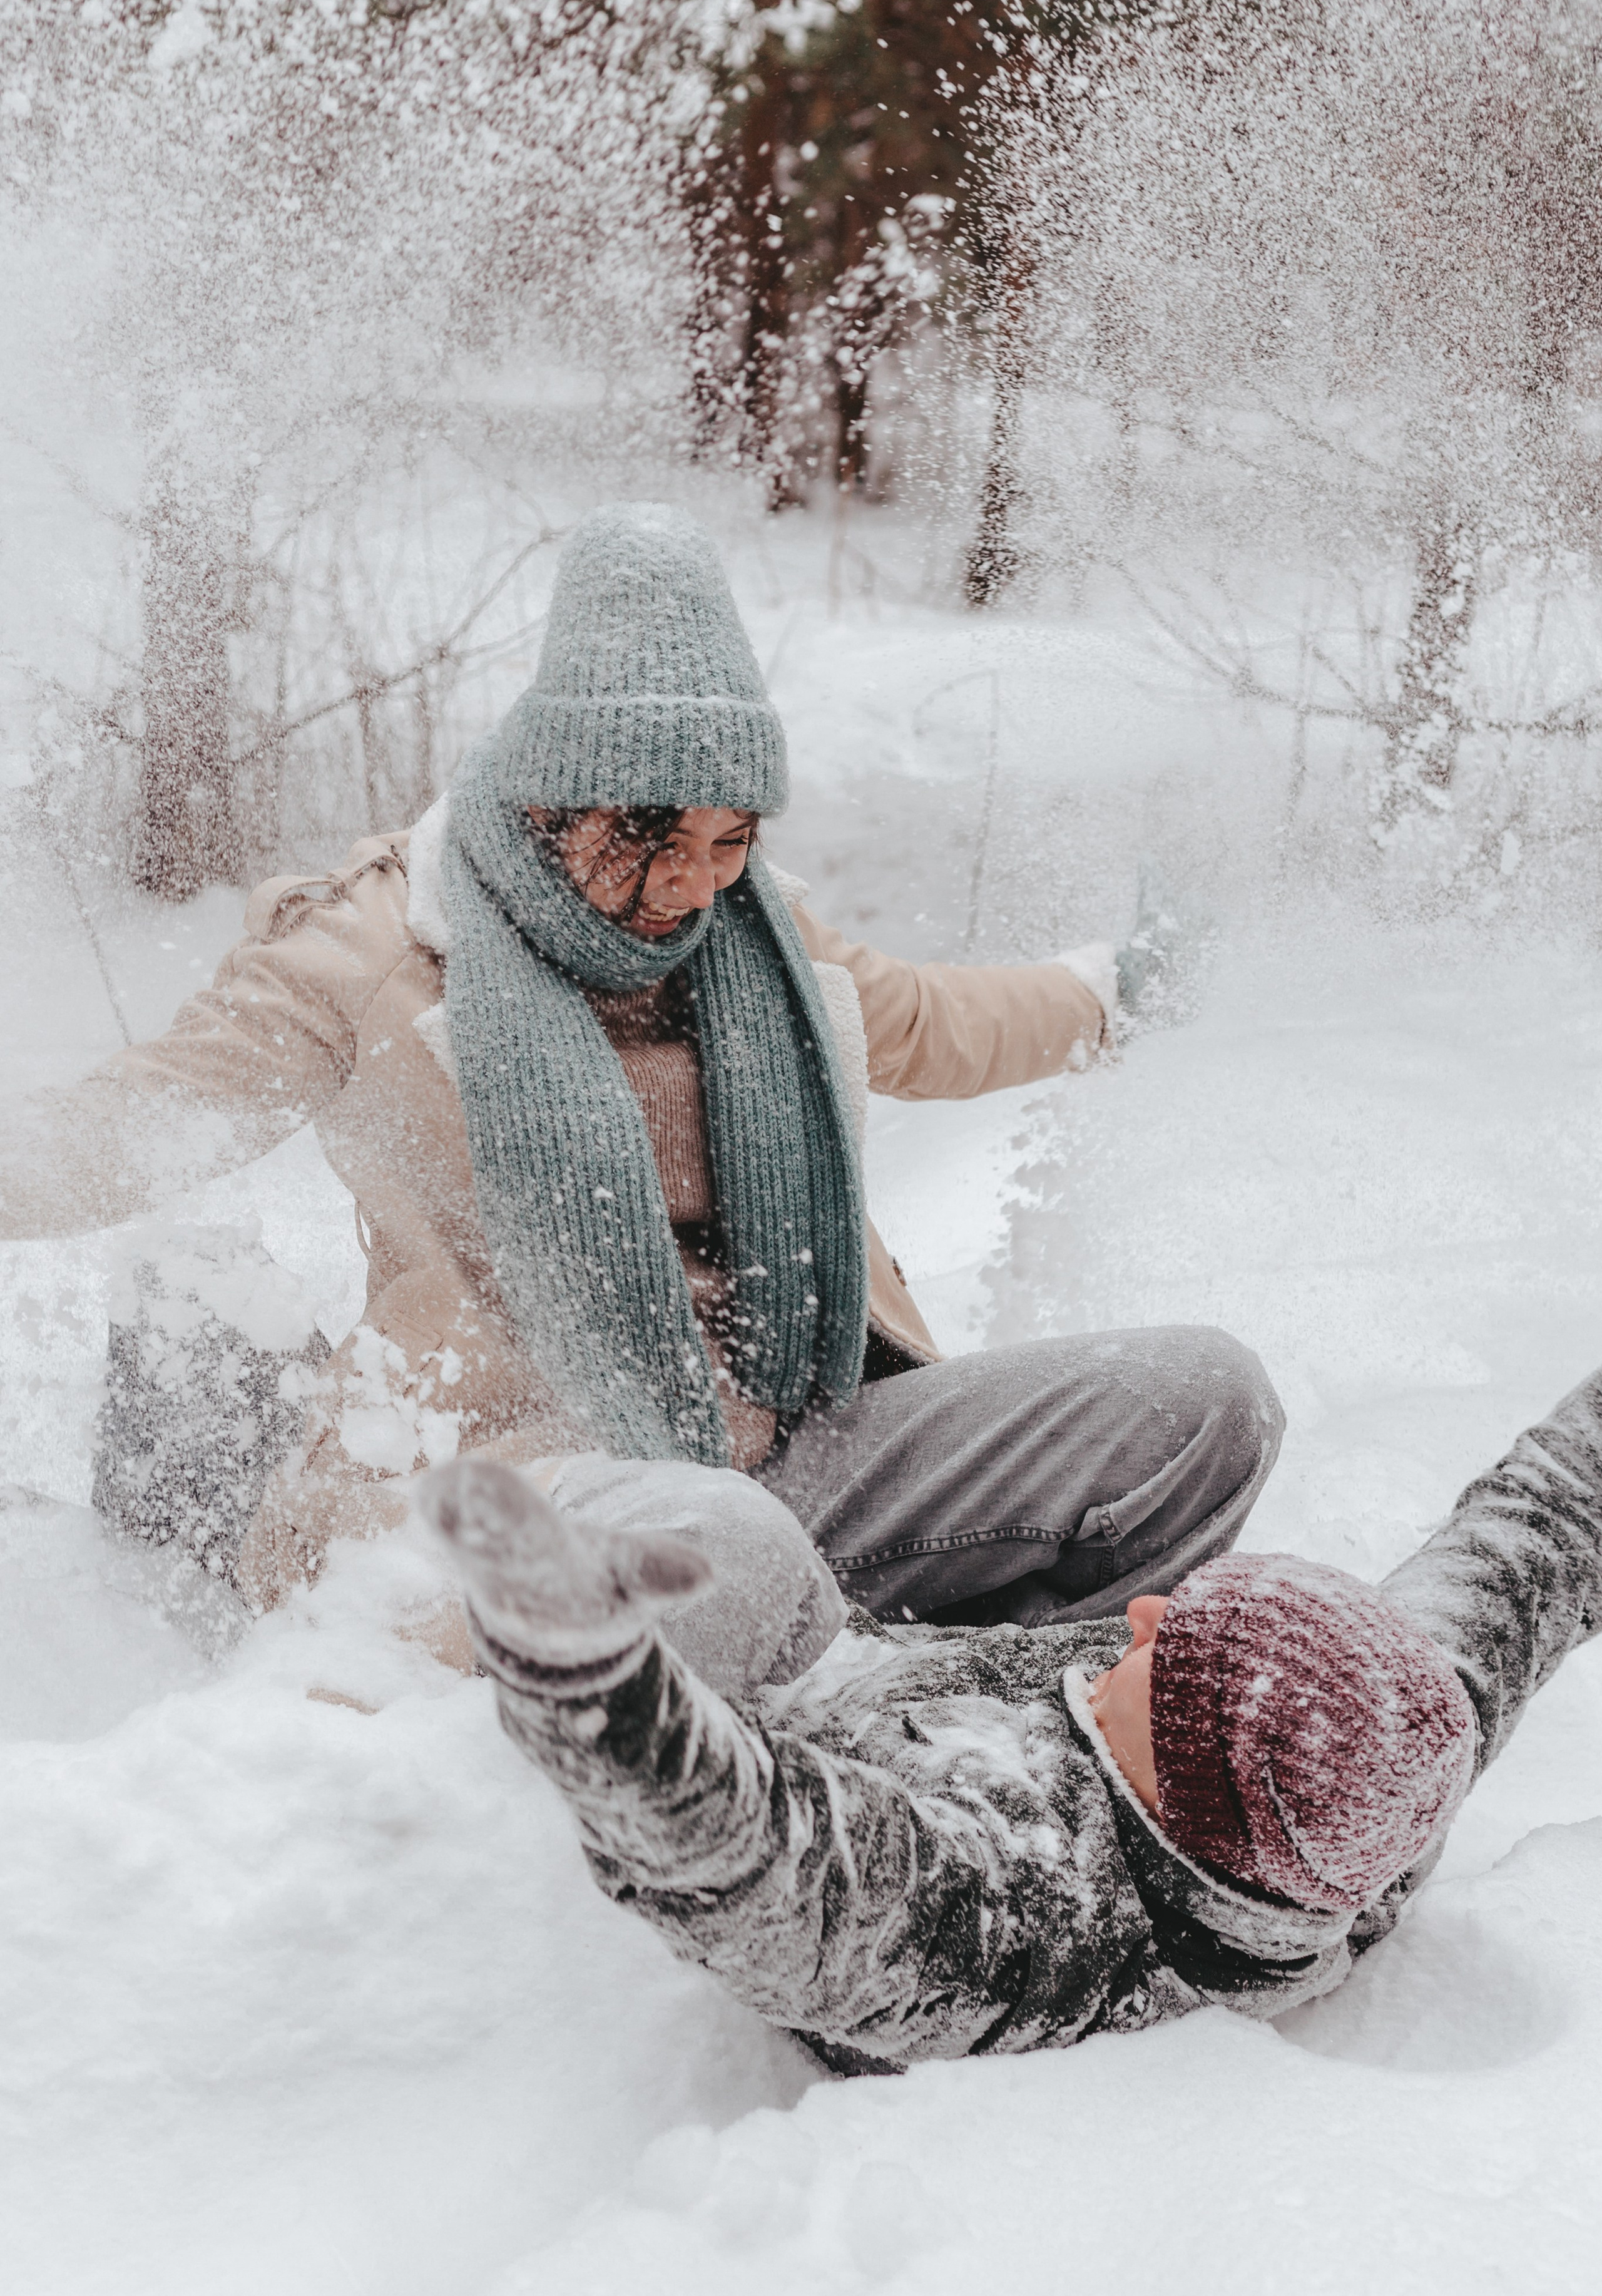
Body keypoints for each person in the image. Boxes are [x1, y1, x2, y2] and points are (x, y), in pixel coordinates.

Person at [0, 501, 1280, 1653]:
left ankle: (993, 1696)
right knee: (719, 1552)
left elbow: (928, 1018)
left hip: (793, 1456)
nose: (690, 884)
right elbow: (138, 1120)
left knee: (1205, 1401)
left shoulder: (756, 935)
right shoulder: (370, 949)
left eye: (729, 839)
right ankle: (771, 1697)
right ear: (553, 797)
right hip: (522, 1483)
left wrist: (1114, 989)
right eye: (649, 836)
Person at [414, 1360, 1602, 2070]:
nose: (1147, 1613)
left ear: (1175, 1785)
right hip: (932, 1671)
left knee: (738, 1546)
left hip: (782, 1711)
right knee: (1196, 1397)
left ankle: (441, 1544)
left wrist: (597, 1680)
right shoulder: (1368, 1782)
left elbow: (759, 1863)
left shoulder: (1011, 1921)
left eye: (1169, 1654)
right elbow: (1530, 1541)